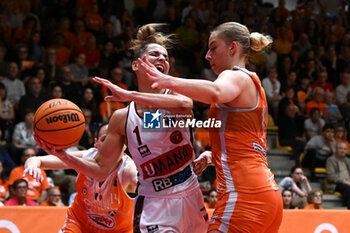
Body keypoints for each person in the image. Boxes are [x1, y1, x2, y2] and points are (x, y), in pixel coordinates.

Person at [35, 24, 209, 233]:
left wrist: (130, 96)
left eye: (165, 56)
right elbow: (101, 170)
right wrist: (62, 155)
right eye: (155, 54)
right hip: (153, 202)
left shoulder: (176, 97)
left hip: (190, 191)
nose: (162, 59)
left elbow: (185, 106)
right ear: (136, 65)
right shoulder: (122, 118)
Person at [137, 22, 283, 232]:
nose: (207, 55)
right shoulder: (247, 82)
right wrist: (214, 155)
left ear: (232, 48)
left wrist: (164, 81)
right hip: (263, 191)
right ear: (136, 64)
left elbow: (197, 103)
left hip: (240, 195)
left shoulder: (232, 77)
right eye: (154, 55)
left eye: (213, 48)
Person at [25, 122, 137, 232]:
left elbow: (146, 183)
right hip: (79, 224)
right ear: (96, 143)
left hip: (118, 230)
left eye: (115, 141)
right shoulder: (87, 157)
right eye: (104, 140)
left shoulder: (128, 169)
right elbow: (37, 159)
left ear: (124, 145)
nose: (110, 144)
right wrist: (32, 166)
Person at [326, 142, 350, 209]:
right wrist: (344, 182)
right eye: (340, 148)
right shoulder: (331, 160)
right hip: (335, 184)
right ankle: (347, 210)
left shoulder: (348, 160)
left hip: (348, 183)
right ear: (336, 149)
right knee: (348, 189)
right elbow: (330, 176)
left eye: (345, 149)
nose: (343, 151)